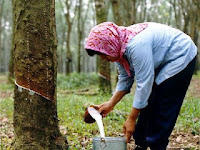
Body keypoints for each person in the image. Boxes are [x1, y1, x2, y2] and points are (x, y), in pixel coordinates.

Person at [84, 22, 197, 150]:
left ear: (110, 44)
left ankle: (157, 144)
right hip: (163, 60)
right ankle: (141, 143)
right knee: (148, 100)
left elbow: (144, 82)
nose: (103, 58)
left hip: (181, 53)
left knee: (163, 102)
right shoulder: (119, 50)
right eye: (101, 55)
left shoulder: (136, 45)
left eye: (103, 54)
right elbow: (125, 79)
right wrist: (110, 104)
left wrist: (131, 118)